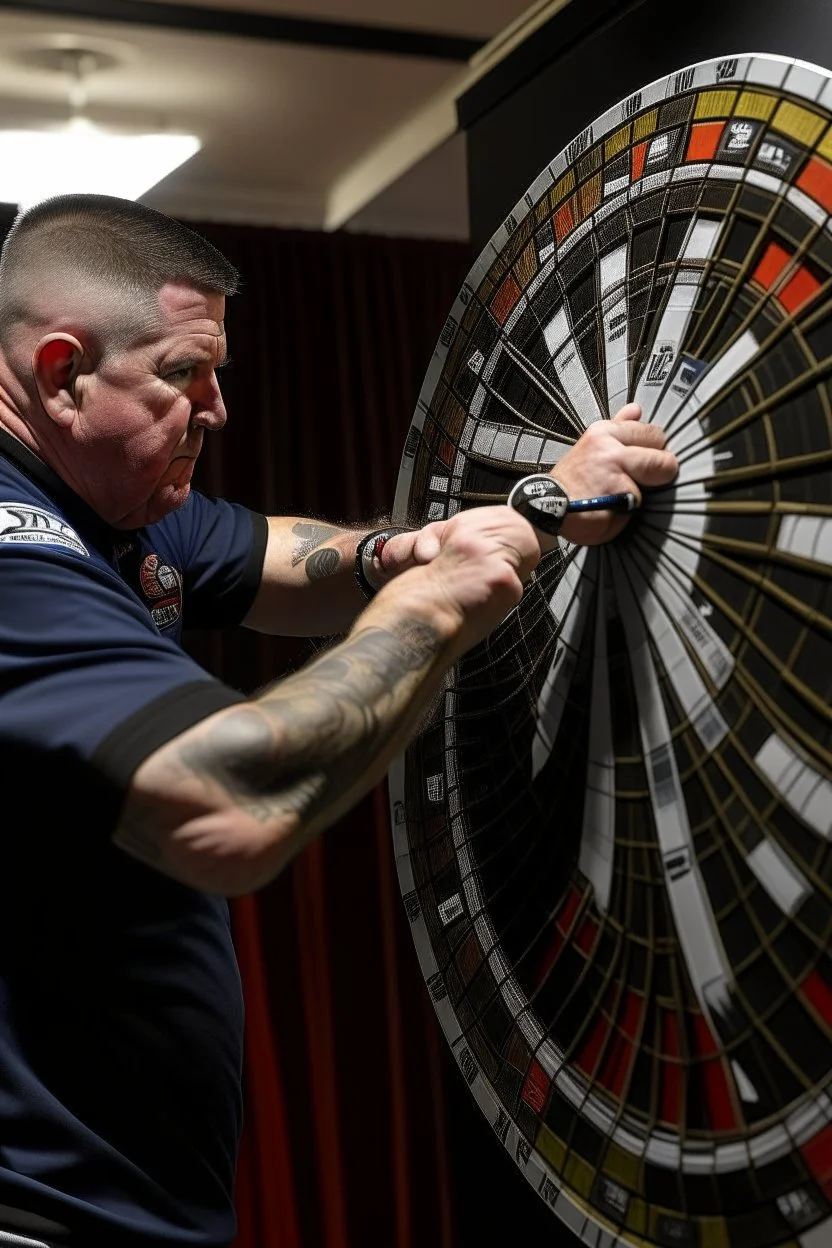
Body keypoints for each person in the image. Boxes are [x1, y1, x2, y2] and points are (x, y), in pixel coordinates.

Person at [0, 194, 677, 1248]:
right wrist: (434, 607)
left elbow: (289, 556)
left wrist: (527, 505)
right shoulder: (16, 555)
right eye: (183, 374)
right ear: (60, 371)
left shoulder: (123, 508)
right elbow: (221, 805)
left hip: (130, 1199)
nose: (218, 408)